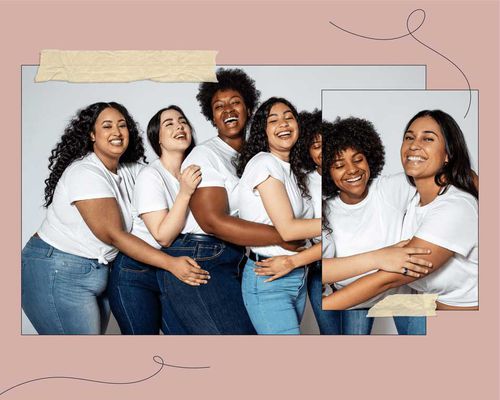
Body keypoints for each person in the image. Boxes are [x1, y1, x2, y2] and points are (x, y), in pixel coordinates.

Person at [22, 102, 207, 335]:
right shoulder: (85, 173)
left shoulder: (131, 171)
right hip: (57, 269)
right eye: (107, 126)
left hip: (99, 271)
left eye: (122, 125)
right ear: (92, 134)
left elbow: (163, 174)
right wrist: (170, 263)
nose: (117, 132)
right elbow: (115, 235)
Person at [160, 68, 300, 334]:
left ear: (248, 108)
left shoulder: (257, 154)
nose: (228, 110)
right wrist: (282, 236)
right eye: (218, 106)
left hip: (234, 258)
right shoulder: (205, 155)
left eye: (235, 102)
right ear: (211, 116)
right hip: (201, 258)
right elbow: (213, 221)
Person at [323, 110, 478, 311]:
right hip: (425, 306)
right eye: (409, 137)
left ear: (448, 154)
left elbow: (388, 280)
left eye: (428, 138)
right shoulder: (416, 200)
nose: (414, 145)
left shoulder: (454, 206)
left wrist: (324, 306)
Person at [320, 116, 428, 335]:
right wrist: (381, 256)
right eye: (339, 165)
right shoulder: (324, 211)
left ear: (370, 159)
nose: (352, 170)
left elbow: (447, 176)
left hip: (401, 293)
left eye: (358, 160)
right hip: (355, 298)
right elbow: (322, 270)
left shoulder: (388, 189)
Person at [108, 105, 207, 334]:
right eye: (169, 124)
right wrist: (184, 192)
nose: (179, 126)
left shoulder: (194, 171)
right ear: (158, 139)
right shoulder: (150, 176)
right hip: (135, 273)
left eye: (182, 121)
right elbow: (163, 236)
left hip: (169, 269)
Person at [236, 97, 321, 334]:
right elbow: (289, 230)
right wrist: (338, 223)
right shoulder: (264, 163)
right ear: (263, 131)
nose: (283, 123)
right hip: (269, 279)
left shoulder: (294, 170)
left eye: (289, 117)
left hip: (297, 276)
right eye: (273, 120)